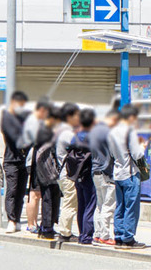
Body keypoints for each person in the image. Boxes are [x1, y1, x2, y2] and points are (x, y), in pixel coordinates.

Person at [108, 104, 147, 249]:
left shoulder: (112, 132)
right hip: (130, 174)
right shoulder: (129, 131)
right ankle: (128, 238)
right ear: (131, 117)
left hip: (117, 173)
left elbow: (111, 154)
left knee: (120, 206)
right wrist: (143, 146)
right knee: (131, 207)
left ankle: (118, 236)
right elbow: (137, 154)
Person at [1, 91, 30, 234]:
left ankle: (17, 219)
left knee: (20, 191)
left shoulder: (23, 118)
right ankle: (11, 220)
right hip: (11, 160)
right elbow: (15, 138)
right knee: (12, 191)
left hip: (23, 160)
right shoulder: (7, 117)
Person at [90, 109, 120, 246]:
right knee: (108, 205)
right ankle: (106, 236)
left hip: (95, 171)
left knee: (100, 205)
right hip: (107, 173)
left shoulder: (94, 132)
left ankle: (97, 234)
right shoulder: (108, 133)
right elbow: (115, 153)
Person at [35, 106, 63, 240]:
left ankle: (46, 226)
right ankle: (47, 228)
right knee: (49, 199)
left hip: (45, 171)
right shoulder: (46, 132)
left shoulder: (43, 131)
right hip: (47, 171)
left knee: (51, 198)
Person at [25, 99, 51, 234]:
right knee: (35, 194)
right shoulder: (37, 124)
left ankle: (33, 223)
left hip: (36, 161)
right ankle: (31, 224)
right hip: (36, 162)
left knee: (36, 194)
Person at [72, 109, 97, 245]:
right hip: (89, 173)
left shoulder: (75, 136)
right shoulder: (92, 136)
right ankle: (87, 236)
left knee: (81, 205)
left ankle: (82, 233)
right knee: (90, 204)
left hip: (77, 173)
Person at [56, 102, 81, 243]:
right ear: (69, 116)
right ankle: (65, 233)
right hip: (68, 175)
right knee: (69, 203)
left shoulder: (64, 131)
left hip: (66, 174)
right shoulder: (67, 133)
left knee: (70, 202)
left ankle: (66, 231)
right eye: (77, 115)